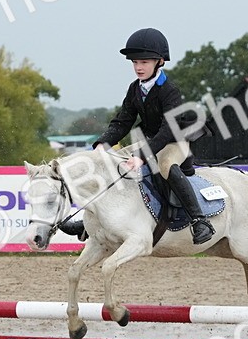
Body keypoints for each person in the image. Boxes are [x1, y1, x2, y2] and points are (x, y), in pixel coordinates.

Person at [84, 27, 213, 244]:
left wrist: (142, 156)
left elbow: (167, 130)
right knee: (111, 162)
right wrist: (103, 144)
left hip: (174, 141)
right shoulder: (134, 89)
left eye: (144, 62)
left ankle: (199, 221)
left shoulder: (169, 90)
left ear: (159, 62)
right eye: (135, 62)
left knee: (165, 165)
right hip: (149, 141)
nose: (138, 67)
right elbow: (123, 121)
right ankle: (91, 220)